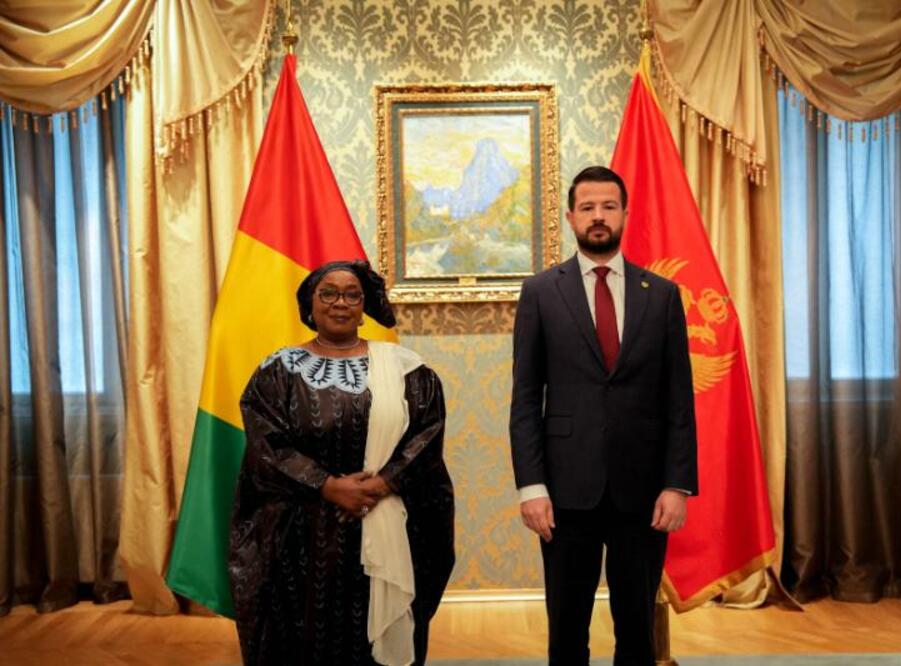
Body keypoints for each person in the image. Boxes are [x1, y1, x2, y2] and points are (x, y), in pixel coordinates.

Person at [509, 166, 698, 665]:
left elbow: (679, 400)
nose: (598, 216)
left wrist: (677, 484)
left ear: (625, 214)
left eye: (609, 206)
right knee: (566, 628)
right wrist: (531, 487)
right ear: (571, 217)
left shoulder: (661, 294)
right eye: (588, 207)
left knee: (637, 629)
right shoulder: (540, 292)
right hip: (564, 492)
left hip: (644, 492)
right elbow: (525, 399)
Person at [229, 260, 454, 666]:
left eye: (352, 295)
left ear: (364, 306)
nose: (340, 303)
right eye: (328, 293)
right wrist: (328, 486)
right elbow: (267, 446)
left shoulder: (407, 369)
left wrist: (381, 484)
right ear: (310, 305)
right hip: (300, 537)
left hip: (387, 519)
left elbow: (426, 435)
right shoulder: (277, 371)